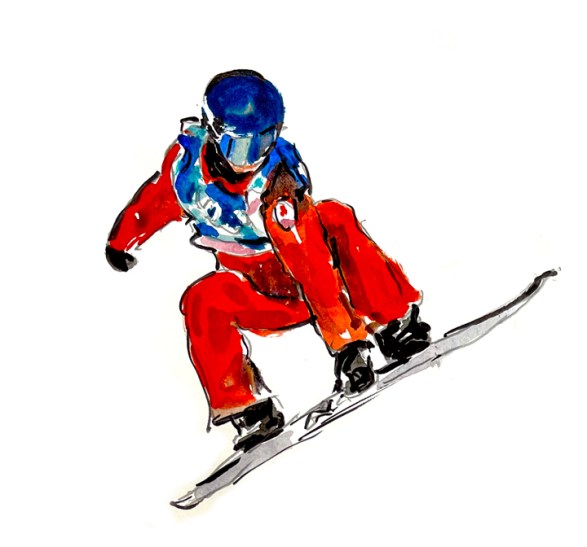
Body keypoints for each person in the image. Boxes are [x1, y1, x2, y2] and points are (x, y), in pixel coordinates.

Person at [106, 69, 431, 451]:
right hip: (260, 294)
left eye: (264, 142)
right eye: (240, 147)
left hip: (321, 285)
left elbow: (309, 263)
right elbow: (159, 199)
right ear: (213, 133)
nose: (252, 158)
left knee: (334, 218)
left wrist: (348, 347)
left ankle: (394, 323)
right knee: (202, 299)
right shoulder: (187, 168)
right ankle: (246, 406)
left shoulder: (277, 184)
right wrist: (123, 241)